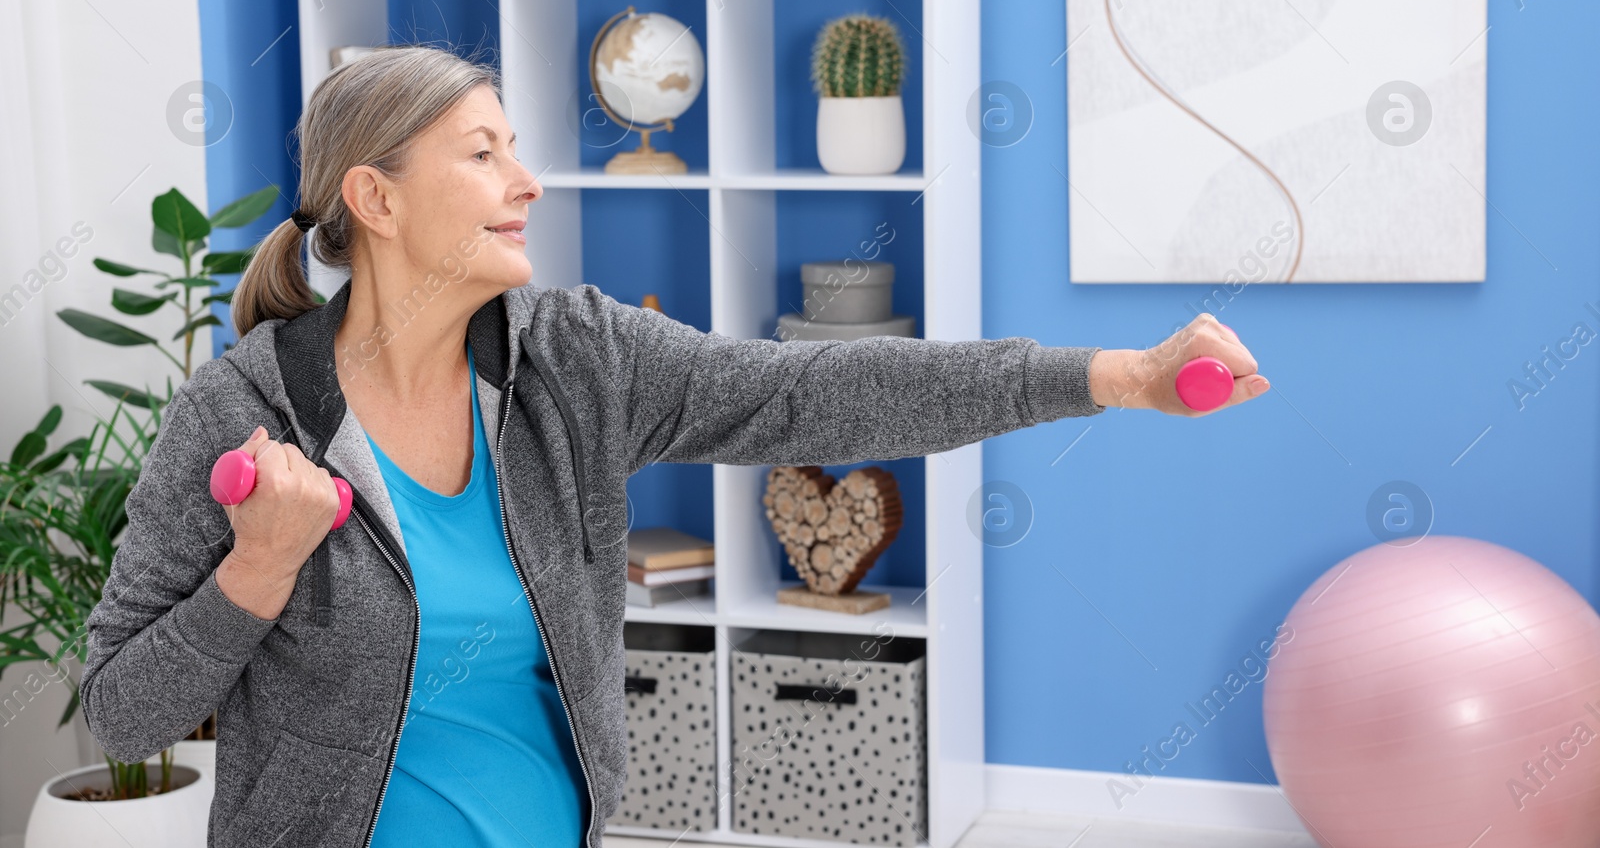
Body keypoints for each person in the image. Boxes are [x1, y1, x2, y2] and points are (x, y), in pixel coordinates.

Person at [78, 46, 1268, 848]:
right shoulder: (243, 414)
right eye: (482, 152)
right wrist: (257, 569)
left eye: (514, 147)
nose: (527, 181)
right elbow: (120, 714)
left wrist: (1114, 377)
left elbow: (823, 393)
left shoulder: (576, 361)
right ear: (376, 200)